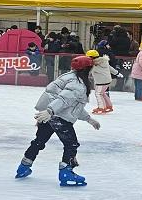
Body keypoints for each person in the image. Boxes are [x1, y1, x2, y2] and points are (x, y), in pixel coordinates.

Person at [15, 54, 98, 186]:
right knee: (71, 144)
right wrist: (50, 111)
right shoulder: (78, 84)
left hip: (52, 115)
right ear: (86, 70)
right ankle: (66, 172)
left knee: (39, 141)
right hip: (59, 117)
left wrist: (88, 119)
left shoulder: (68, 77)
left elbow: (73, 105)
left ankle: (24, 166)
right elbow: (63, 100)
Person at [89, 46, 114, 114]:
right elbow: (110, 68)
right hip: (107, 80)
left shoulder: (95, 65)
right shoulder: (104, 61)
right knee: (102, 93)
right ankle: (109, 106)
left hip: (101, 82)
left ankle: (101, 108)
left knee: (98, 93)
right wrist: (116, 73)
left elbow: (89, 71)